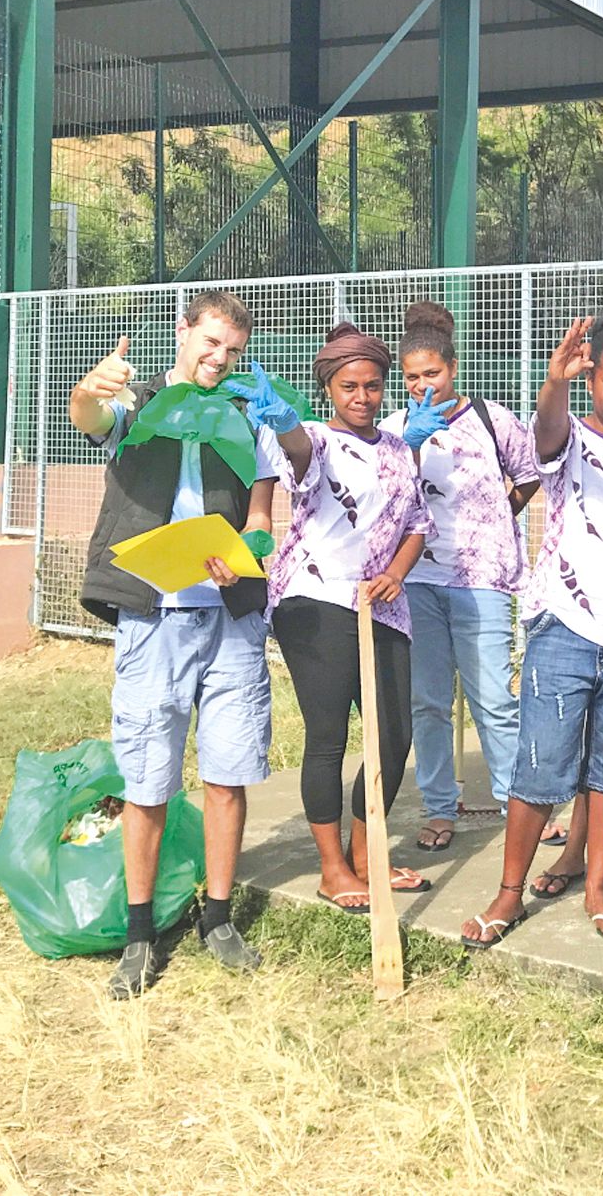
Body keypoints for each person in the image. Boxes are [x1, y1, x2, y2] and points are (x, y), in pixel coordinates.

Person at [67, 291, 277, 999]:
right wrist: (90, 388)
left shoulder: (248, 414)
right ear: (183, 331)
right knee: (149, 778)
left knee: (226, 774)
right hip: (152, 619)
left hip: (230, 618)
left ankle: (216, 916)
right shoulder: (141, 402)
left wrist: (248, 550)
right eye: (210, 342)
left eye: (232, 351)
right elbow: (92, 417)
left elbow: (262, 516)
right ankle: (139, 936)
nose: (219, 359)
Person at [460, 317, 603, 948]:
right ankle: (509, 894)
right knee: (540, 769)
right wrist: (553, 383)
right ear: (593, 381)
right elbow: (545, 434)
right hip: (566, 626)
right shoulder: (570, 443)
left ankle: (597, 887)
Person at [254, 321, 432, 914]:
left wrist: (396, 575)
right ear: (329, 388)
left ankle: (367, 854)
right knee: (329, 736)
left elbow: (416, 526)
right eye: (349, 386)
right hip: (315, 599)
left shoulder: (401, 450)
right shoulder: (312, 438)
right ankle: (333, 868)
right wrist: (282, 423)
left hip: (382, 602)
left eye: (373, 386)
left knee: (393, 736)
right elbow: (300, 457)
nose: (362, 397)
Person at [381, 300, 540, 852]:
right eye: (411, 378)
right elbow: (383, 493)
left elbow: (527, 475)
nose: (423, 386)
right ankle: (439, 807)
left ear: (453, 368)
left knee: (494, 698)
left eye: (433, 374)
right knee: (427, 701)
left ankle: (516, 802)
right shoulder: (393, 428)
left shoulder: (494, 421)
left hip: (482, 581)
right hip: (416, 582)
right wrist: (408, 445)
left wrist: (495, 518)